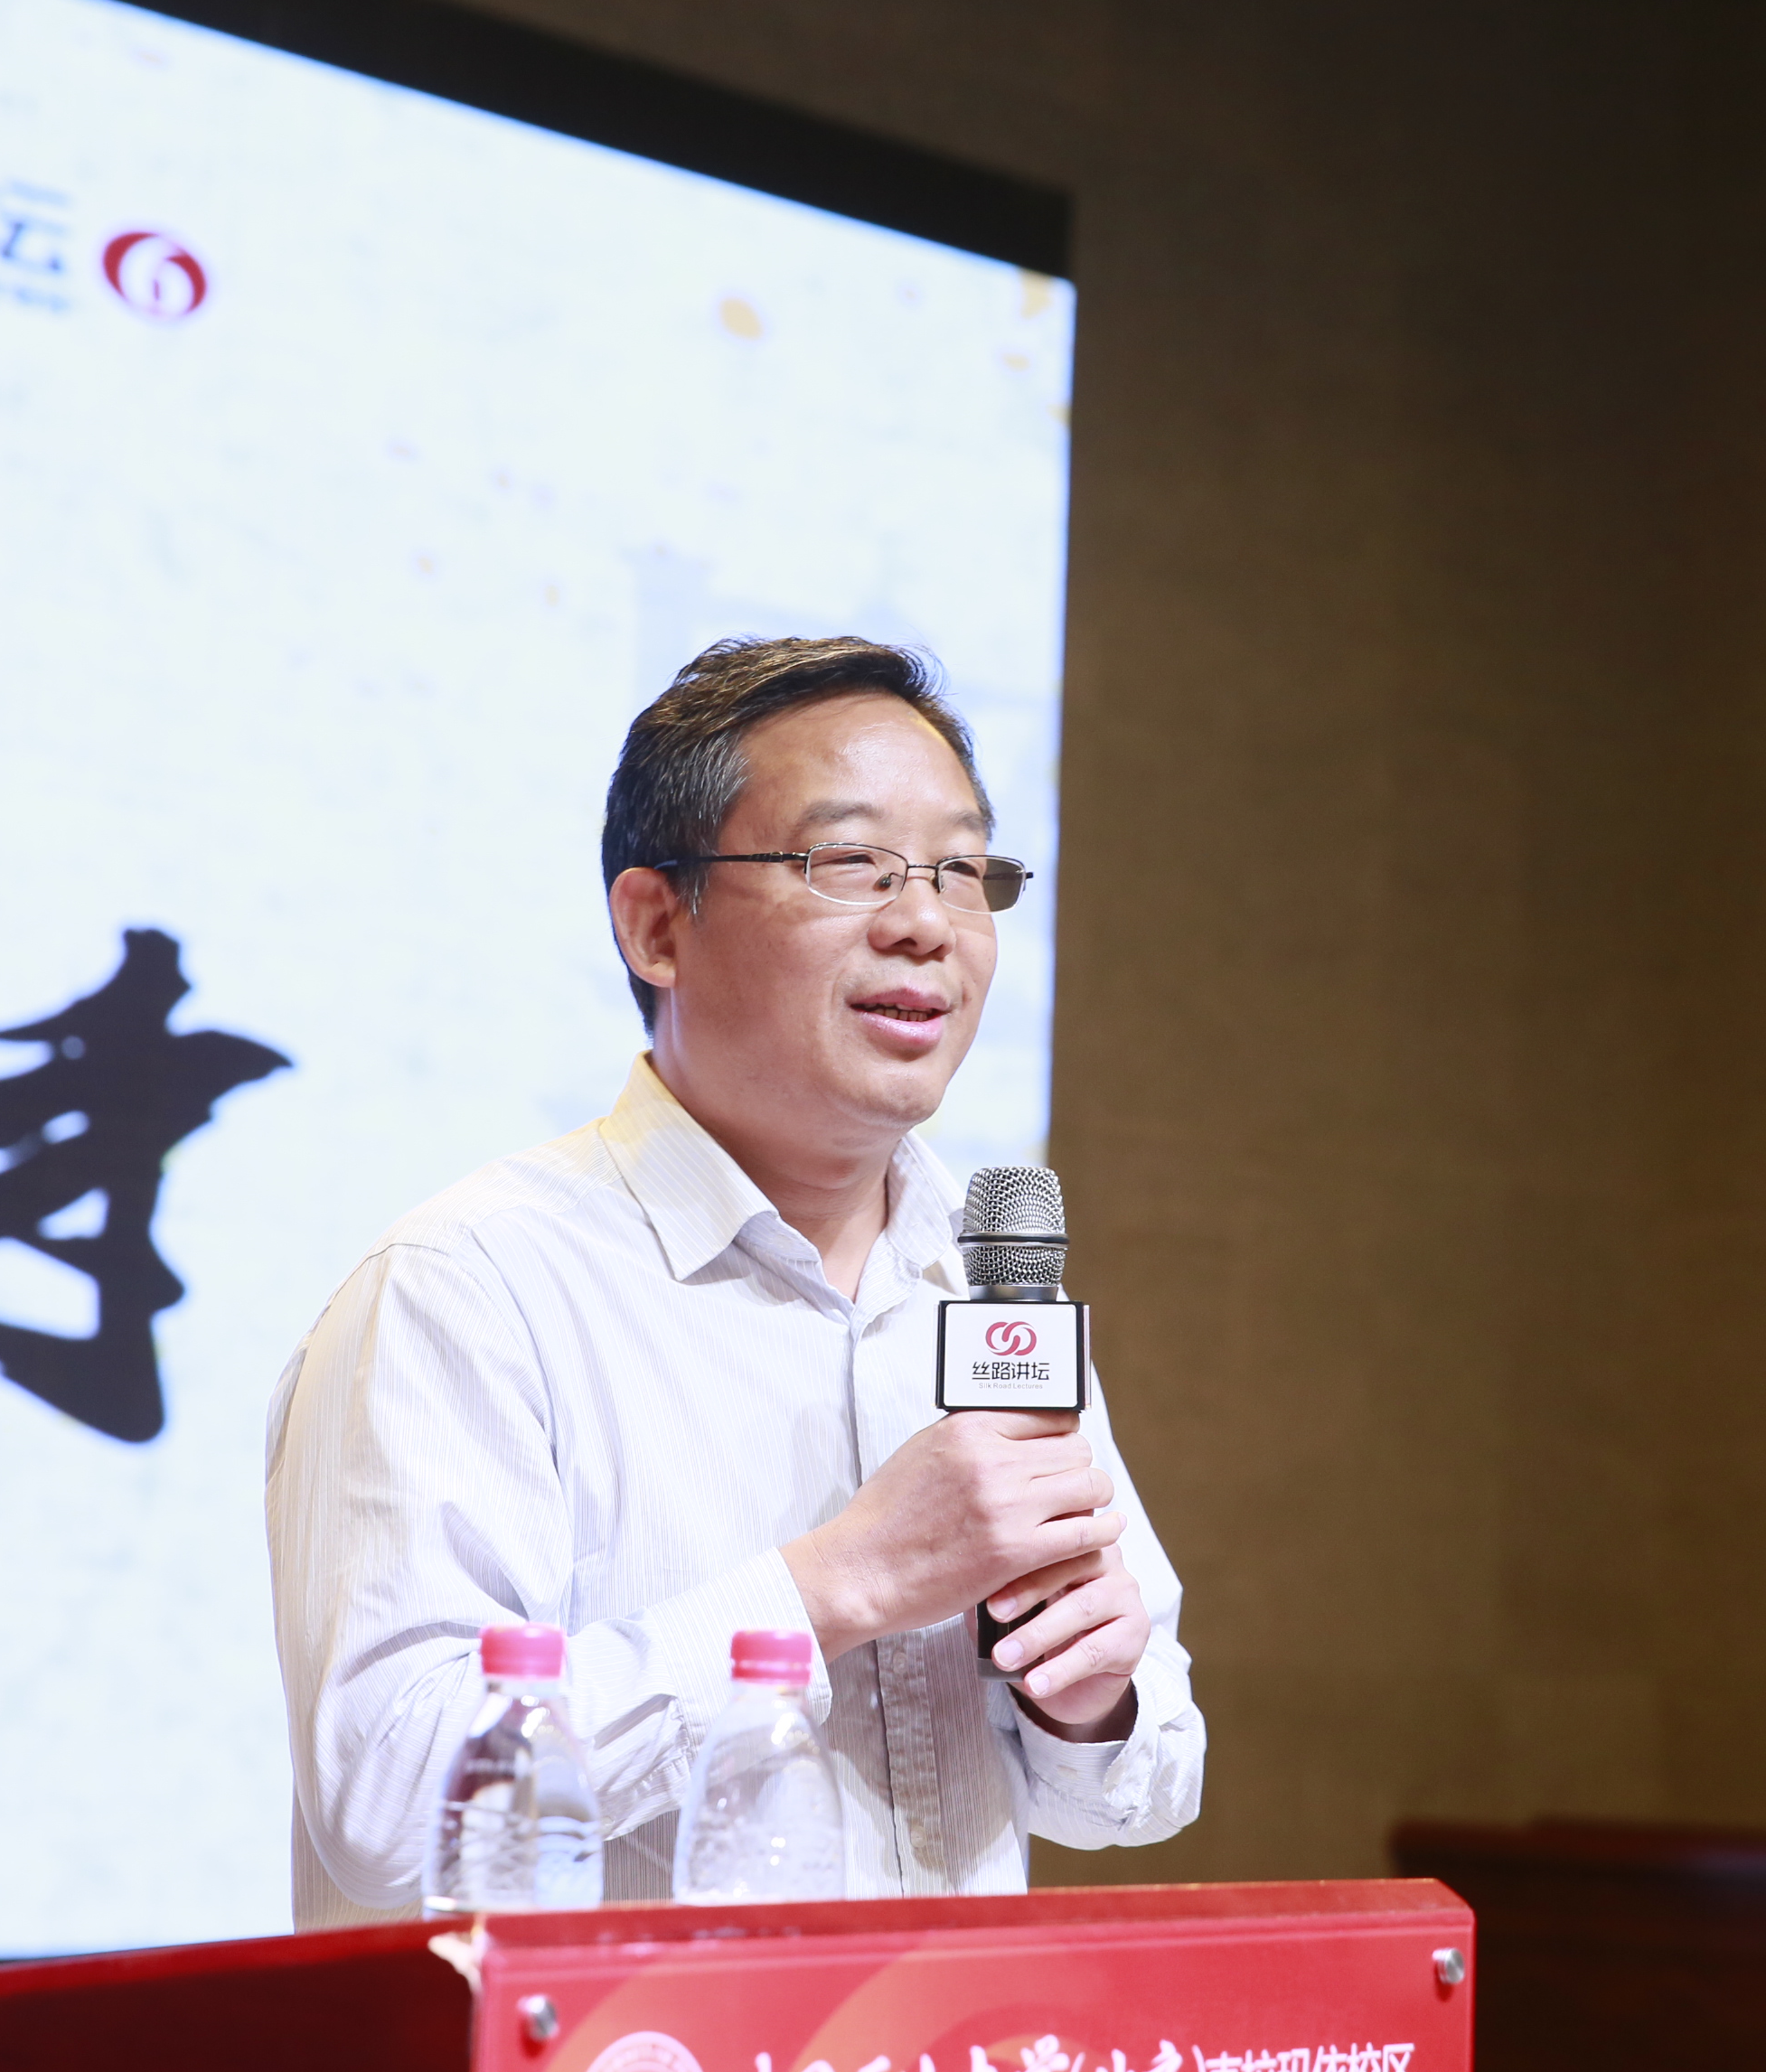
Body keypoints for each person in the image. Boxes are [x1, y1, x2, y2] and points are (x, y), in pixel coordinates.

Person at [265, 635, 1201, 1919]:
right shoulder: (468, 1288)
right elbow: (390, 1801)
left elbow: (1140, 1789)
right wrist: (837, 1587)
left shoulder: (985, 1293)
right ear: (657, 925)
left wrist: (1085, 1701)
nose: (927, 923)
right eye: (851, 861)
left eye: (960, 869)